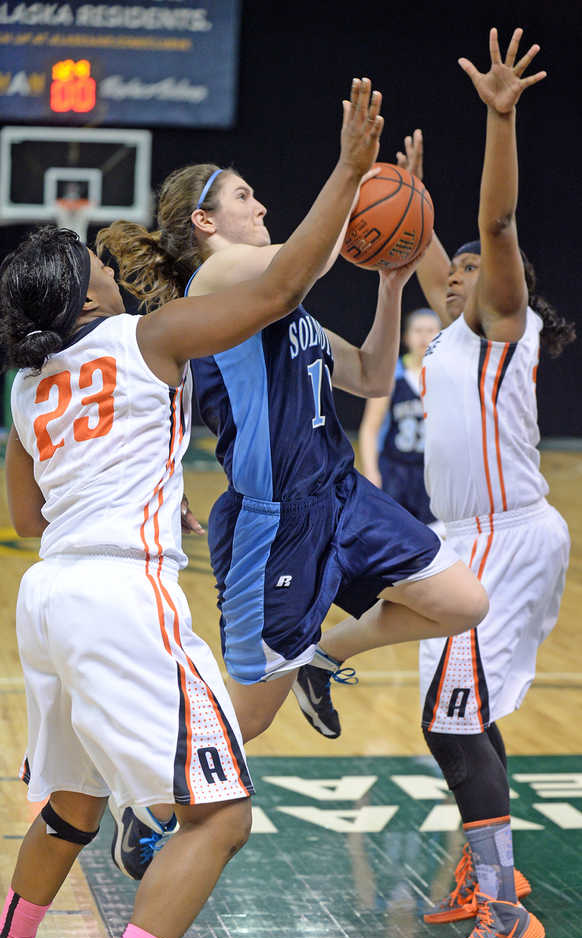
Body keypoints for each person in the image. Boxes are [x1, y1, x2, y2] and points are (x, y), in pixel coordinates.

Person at [0, 77, 385, 938]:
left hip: (47, 598)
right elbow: (286, 283)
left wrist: (120, 493)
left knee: (72, 804)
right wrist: (350, 169)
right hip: (123, 600)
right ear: (84, 295)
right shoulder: (148, 334)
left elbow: (25, 521)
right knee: (221, 816)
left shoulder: (23, 388)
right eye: (83, 257)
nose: (98, 255)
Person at [97, 109, 488, 773]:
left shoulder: (284, 304)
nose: (263, 204)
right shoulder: (214, 283)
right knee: (246, 718)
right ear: (205, 222)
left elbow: (368, 375)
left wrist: (391, 284)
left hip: (339, 494)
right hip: (272, 521)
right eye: (244, 197)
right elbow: (304, 261)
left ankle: (325, 658)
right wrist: (355, 173)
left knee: (461, 602)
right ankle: (149, 799)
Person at [395, 29, 574, 938]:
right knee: (458, 717)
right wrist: (411, 201)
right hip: (462, 542)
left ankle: (506, 911)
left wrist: (498, 122)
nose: (454, 274)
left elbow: (493, 231)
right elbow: (427, 248)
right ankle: (488, 866)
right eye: (449, 271)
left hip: (507, 539)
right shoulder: (451, 336)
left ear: (503, 290)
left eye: (471, 271)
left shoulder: (504, 325)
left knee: (454, 724)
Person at [358, 307, 440, 525]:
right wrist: (371, 472)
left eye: (430, 330)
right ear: (406, 337)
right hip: (395, 470)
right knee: (393, 535)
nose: (424, 336)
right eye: (418, 330)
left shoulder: (445, 376)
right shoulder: (392, 374)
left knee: (436, 541)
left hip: (432, 473)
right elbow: (369, 429)